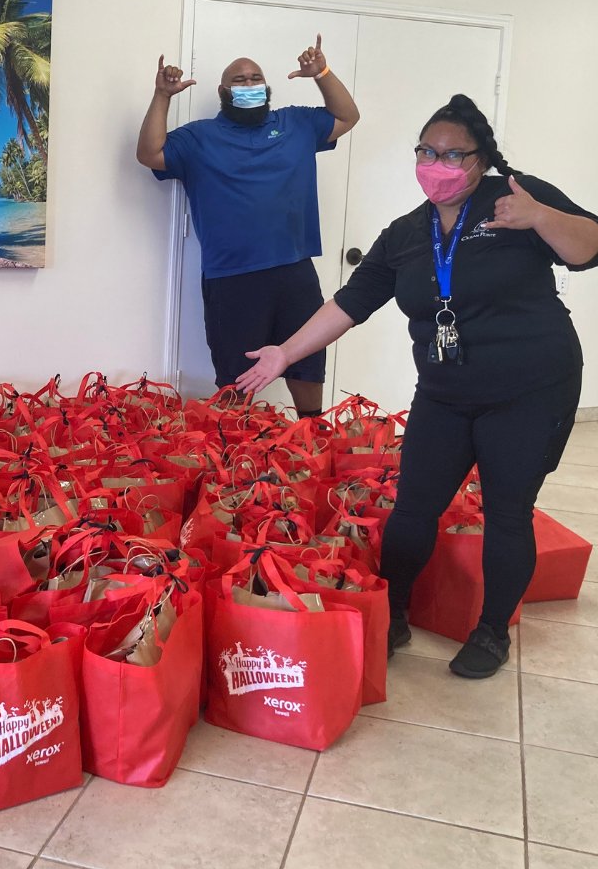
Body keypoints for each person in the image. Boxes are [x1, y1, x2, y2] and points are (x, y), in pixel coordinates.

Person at [235, 94, 598, 678]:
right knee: (413, 510)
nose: (438, 163)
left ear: (481, 160)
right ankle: (395, 614)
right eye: (427, 151)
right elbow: (351, 303)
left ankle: (490, 633)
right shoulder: (407, 233)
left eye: (454, 154)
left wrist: (541, 218)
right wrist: (285, 351)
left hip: (531, 389)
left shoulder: (518, 201)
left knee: (508, 513)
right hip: (445, 393)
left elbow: (590, 248)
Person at [136, 35, 360, 416]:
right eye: (239, 80)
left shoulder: (296, 123)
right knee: (235, 374)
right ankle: (235, 447)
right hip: (232, 276)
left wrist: (321, 72)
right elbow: (149, 153)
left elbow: (347, 117)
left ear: (267, 87)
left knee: (307, 362)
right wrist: (162, 97)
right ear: (224, 91)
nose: (249, 83)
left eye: (256, 77)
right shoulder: (199, 137)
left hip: (295, 269)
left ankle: (312, 433)